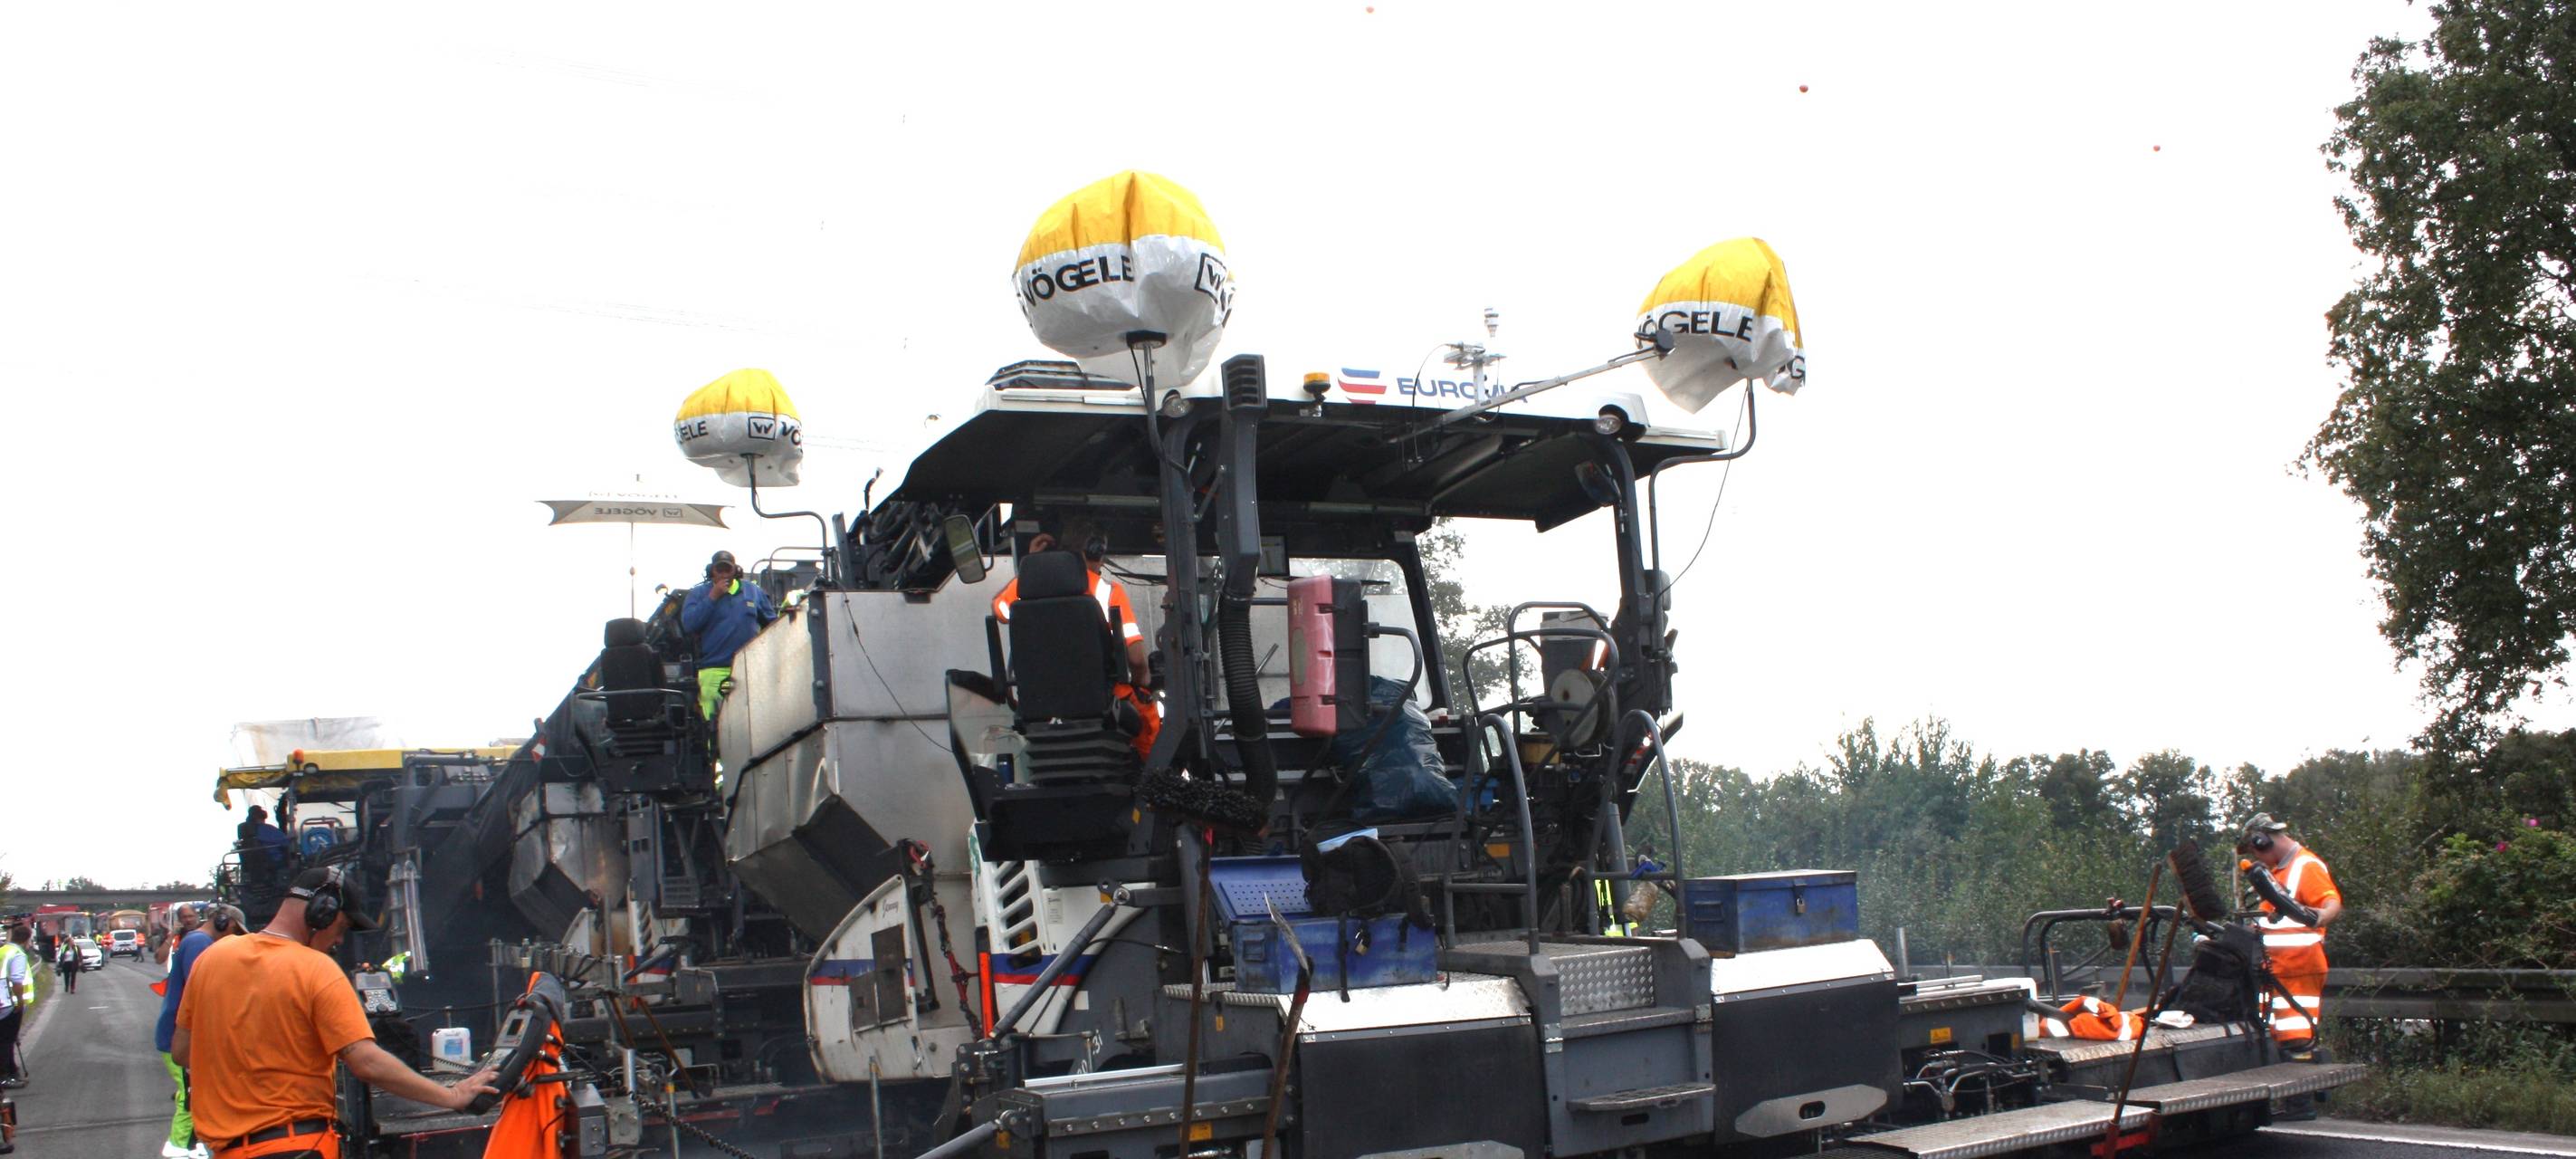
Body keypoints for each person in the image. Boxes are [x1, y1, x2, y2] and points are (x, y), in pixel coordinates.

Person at [175, 868, 493, 1159]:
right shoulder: (317, 969)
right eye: (341, 927)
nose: (339, 941)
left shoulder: (211, 959)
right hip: (296, 1147)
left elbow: (182, 1052)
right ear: (322, 912)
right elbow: (366, 1061)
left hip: (226, 1151)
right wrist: (452, 1096)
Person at [989, 522, 1160, 758]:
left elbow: (999, 610)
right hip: (1102, 704)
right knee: (1149, 723)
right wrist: (1143, 683)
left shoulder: (1025, 589)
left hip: (1039, 708)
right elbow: (1137, 660)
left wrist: (1032, 565)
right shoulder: (1108, 592)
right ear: (1096, 550)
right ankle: (1150, 781)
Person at [2237, 813, 2342, 1053]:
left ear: (2262, 841)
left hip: (2297, 970)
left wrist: (2321, 917)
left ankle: (2302, 1078)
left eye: (2255, 851)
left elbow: (2331, 902)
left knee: (2297, 1039)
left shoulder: (2306, 866)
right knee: (2280, 1044)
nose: (2256, 857)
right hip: (2277, 971)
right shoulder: (2276, 874)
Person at [681, 550, 779, 719]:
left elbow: (772, 624)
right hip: (713, 669)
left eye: (728, 569)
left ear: (736, 570)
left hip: (749, 668)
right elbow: (689, 624)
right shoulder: (698, 594)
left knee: (753, 718)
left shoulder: (753, 592)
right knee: (715, 723)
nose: (724, 574)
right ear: (711, 571)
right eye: (720, 570)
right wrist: (713, 597)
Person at [155, 904, 211, 1159]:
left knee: (189, 1087)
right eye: (184, 917)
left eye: (191, 916)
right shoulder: (190, 940)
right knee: (191, 1093)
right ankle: (178, 1147)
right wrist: (170, 936)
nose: (188, 920)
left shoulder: (201, 938)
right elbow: (158, 958)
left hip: (180, 1012)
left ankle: (195, 1140)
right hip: (180, 1017)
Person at [0, 928, 30, 1088]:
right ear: (27, 939)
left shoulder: (3, 950)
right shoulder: (17, 954)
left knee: (5, 1040)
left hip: (1, 1001)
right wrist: (19, 1002)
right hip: (8, 1003)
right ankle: (5, 1076)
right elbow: (17, 981)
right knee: (7, 1041)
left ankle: (12, 1071)